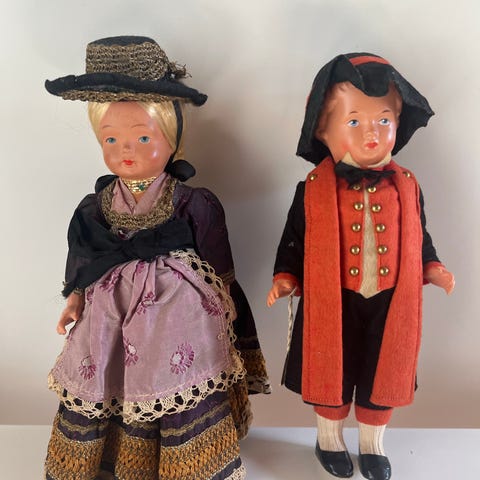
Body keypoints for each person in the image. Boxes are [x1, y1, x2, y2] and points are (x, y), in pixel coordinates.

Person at [44, 35, 270, 480]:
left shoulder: (192, 202)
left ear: (172, 139)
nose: (125, 150)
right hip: (109, 313)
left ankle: (182, 461)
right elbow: (86, 251)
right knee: (110, 375)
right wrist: (75, 296)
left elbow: (217, 263)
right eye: (111, 139)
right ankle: (113, 456)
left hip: (176, 314)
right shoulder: (96, 205)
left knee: (174, 376)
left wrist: (227, 301)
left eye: (143, 137)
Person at [267, 53, 454, 480]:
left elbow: (419, 235)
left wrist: (432, 266)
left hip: (391, 302)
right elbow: (294, 239)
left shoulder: (408, 186)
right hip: (332, 300)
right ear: (323, 129)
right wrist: (285, 277)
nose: (371, 132)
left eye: (383, 120)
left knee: (382, 372)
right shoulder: (312, 189)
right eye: (354, 121)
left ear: (398, 123)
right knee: (332, 370)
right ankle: (329, 439)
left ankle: (372, 445)